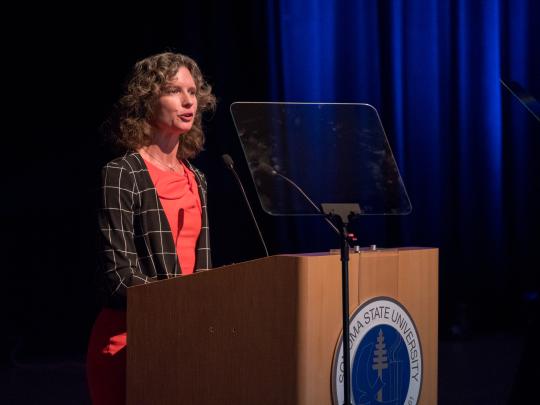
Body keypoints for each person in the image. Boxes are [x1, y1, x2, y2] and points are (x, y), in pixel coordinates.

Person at [86, 52, 216, 405]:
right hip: (128, 344)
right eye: (174, 90)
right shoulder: (122, 173)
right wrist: (178, 305)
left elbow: (199, 271)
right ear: (147, 100)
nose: (189, 101)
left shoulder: (197, 178)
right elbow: (117, 277)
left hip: (185, 340)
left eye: (193, 91)